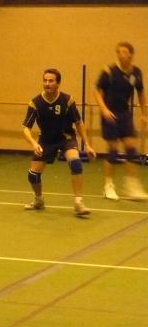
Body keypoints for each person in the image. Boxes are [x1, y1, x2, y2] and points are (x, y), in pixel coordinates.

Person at [22, 68, 97, 216]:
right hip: (46, 140)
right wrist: (33, 143)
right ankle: (39, 200)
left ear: (58, 83)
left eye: (51, 81)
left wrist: (87, 144)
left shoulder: (67, 100)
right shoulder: (35, 103)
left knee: (76, 163)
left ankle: (78, 202)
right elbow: (25, 128)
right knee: (33, 175)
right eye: (45, 80)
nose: (47, 84)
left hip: (65, 138)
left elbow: (79, 123)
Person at [93, 41, 148, 201]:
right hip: (110, 114)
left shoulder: (136, 72)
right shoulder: (109, 71)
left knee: (131, 149)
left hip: (125, 114)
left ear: (131, 55)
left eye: (125, 52)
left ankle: (132, 187)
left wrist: (144, 114)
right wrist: (103, 109)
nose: (122, 55)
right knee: (113, 151)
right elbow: (96, 90)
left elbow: (141, 93)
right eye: (119, 52)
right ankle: (108, 186)